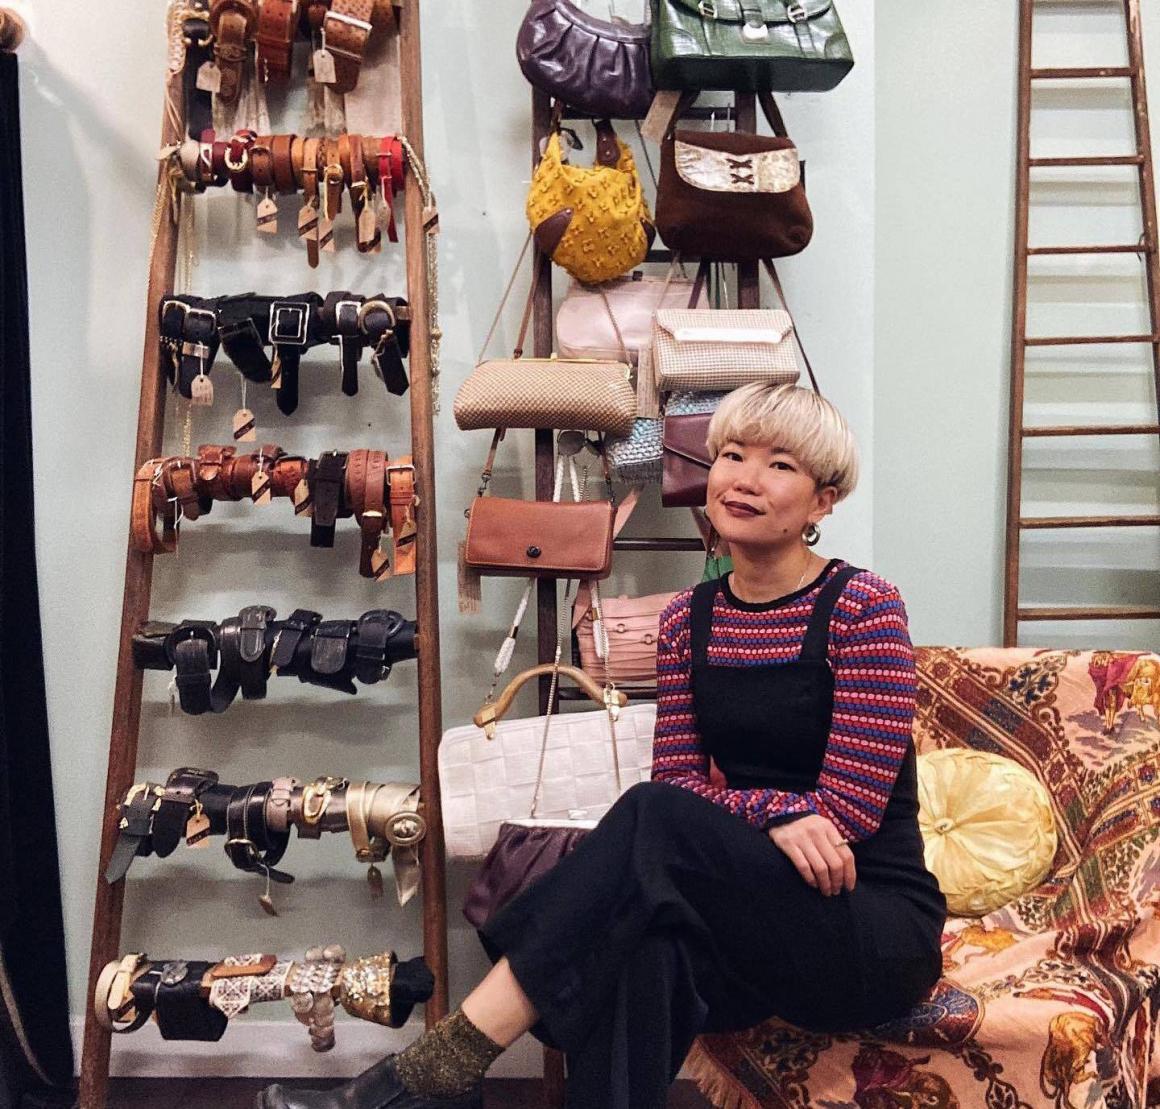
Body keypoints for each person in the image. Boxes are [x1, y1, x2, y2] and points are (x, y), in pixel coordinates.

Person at [257, 382, 947, 1109]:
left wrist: (761, 811)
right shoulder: (688, 619)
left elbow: (850, 810)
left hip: (863, 920)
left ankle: (434, 1072)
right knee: (650, 941)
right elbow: (681, 782)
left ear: (823, 501)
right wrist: (776, 811)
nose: (744, 477)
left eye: (779, 465)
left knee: (650, 820)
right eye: (732, 455)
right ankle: (432, 1080)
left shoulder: (863, 607)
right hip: (745, 912)